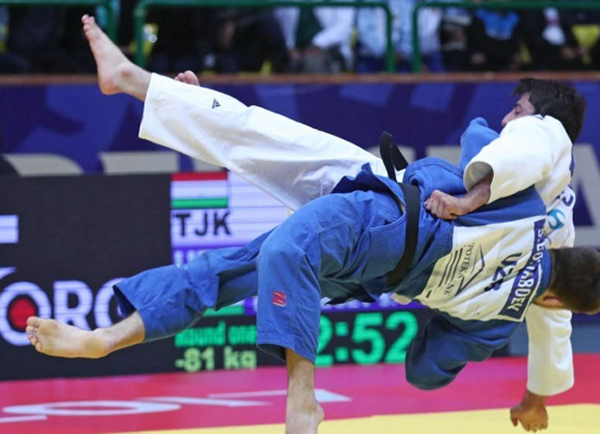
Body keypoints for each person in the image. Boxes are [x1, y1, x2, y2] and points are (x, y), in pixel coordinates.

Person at [27, 16, 593, 434]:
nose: (508, 118)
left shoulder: (548, 156)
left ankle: (302, 397)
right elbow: (544, 320)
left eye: (517, 110)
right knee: (253, 171)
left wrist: (474, 195)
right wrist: (537, 393)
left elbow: (522, 141)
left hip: (396, 216)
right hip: (384, 219)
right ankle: (106, 337)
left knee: (276, 225)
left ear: (544, 121)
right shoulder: (546, 256)